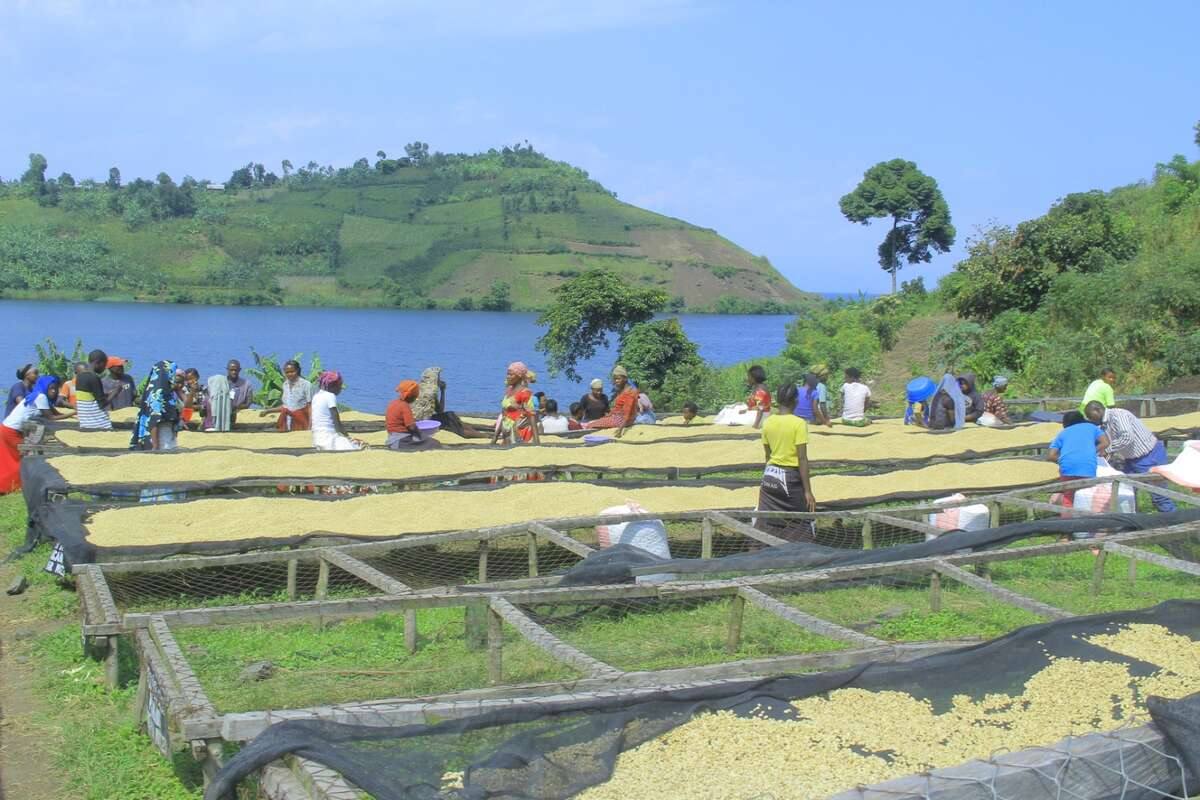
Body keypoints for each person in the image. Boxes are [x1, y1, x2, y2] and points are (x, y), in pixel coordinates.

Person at [1084, 401, 1176, 512]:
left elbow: (1126, 437)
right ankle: (1131, 522)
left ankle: (1174, 523)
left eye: (1091, 417)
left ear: (1098, 410)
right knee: (1126, 492)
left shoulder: (1118, 415)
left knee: (1159, 496)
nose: (1091, 420)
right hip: (1131, 461)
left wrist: (1107, 449)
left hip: (1150, 456)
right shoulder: (1103, 425)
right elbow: (1111, 443)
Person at [755, 383, 817, 540]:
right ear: (795, 400)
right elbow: (802, 459)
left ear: (777, 400)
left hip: (770, 477)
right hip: (789, 478)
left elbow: (768, 456)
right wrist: (807, 491)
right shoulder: (798, 423)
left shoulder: (768, 422)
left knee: (767, 521)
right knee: (800, 520)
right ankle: (801, 553)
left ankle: (762, 551)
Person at [1, 375, 69, 493]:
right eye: (51, 388)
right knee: (24, 458)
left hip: (6, 428)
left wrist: (68, 413)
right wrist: (72, 414)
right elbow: (52, 417)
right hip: (11, 431)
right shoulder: (41, 396)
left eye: (56, 388)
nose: (54, 391)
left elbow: (55, 412)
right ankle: (13, 486)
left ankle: (12, 486)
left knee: (11, 460)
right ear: (45, 387)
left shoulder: (38, 394)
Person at [1046, 411, 1110, 508]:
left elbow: (1051, 455)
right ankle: (1087, 519)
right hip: (1087, 467)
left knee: (1069, 497)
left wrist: (1062, 461)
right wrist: (1092, 451)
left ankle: (1067, 520)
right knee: (1087, 496)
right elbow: (1105, 442)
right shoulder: (1092, 428)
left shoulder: (1062, 433)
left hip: (1067, 468)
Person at [131, 361, 183, 451]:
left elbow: (186, 408)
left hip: (168, 435)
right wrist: (156, 447)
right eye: (172, 372)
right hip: (160, 439)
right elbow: (153, 421)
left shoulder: (167, 392)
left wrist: (179, 391)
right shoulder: (157, 396)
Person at [311, 371, 366, 451]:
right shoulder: (330, 396)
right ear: (333, 386)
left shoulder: (316, 396)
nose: (341, 389)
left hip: (316, 438)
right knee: (356, 447)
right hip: (328, 438)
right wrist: (348, 437)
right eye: (339, 386)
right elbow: (337, 423)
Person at [583, 365, 639, 437]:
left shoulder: (629, 392)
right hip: (618, 417)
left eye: (618, 379)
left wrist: (620, 429)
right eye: (615, 379)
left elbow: (627, 412)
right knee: (597, 421)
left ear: (625, 378)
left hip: (620, 420)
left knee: (590, 426)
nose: (616, 381)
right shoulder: (624, 390)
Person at [259, 360, 313, 432]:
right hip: (286, 421)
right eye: (287, 372)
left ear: (298, 371)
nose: (289, 374)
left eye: (292, 371)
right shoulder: (285, 385)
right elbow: (286, 407)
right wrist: (268, 411)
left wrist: (310, 425)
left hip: (302, 420)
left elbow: (310, 406)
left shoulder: (306, 384)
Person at [494, 362, 540, 444]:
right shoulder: (509, 390)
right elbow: (504, 414)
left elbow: (531, 415)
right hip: (506, 432)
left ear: (519, 376)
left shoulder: (525, 392)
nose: (508, 377)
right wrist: (495, 438)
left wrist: (537, 441)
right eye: (507, 374)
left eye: (511, 375)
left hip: (518, 433)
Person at [386, 379, 435, 450]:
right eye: (415, 396)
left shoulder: (393, 403)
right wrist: (422, 436)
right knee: (434, 443)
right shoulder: (404, 406)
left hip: (391, 439)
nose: (415, 398)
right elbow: (411, 427)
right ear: (411, 396)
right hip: (401, 441)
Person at [76, 350, 114, 430]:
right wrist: (116, 392)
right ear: (98, 362)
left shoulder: (79, 377)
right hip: (99, 424)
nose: (104, 368)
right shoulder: (94, 378)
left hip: (85, 423)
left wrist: (106, 394)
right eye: (104, 365)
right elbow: (103, 404)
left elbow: (89, 398)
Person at [225, 359, 256, 424]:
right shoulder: (222, 383)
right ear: (227, 370)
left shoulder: (247, 384)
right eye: (231, 370)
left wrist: (235, 407)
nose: (234, 372)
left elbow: (248, 403)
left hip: (239, 415)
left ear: (239, 370)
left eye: (235, 370)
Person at [745, 365, 772, 429]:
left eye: (749, 376)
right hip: (761, 413)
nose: (747, 379)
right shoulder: (761, 386)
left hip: (760, 417)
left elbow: (760, 408)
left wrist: (755, 425)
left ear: (754, 378)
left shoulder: (759, 391)